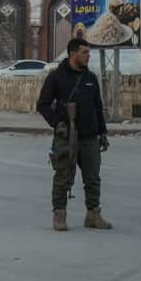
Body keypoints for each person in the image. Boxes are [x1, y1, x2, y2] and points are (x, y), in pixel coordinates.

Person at [36, 38, 111, 231]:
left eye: (88, 52)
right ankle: (59, 215)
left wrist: (102, 132)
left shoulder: (90, 78)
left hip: (89, 136)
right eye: (84, 52)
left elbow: (97, 107)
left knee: (93, 178)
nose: (88, 56)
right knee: (63, 176)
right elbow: (42, 105)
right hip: (65, 136)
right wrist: (57, 123)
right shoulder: (56, 77)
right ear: (73, 54)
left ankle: (93, 214)